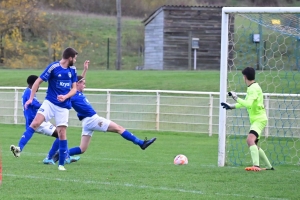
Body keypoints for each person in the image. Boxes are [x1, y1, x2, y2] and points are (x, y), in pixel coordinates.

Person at [46, 60, 156, 163]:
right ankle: (141, 143)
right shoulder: (72, 94)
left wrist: (85, 70)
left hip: (86, 122)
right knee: (119, 128)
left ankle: (61, 154)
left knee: (82, 149)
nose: (85, 85)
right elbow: (76, 82)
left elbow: (79, 79)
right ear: (78, 84)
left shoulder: (77, 92)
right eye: (83, 83)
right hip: (92, 119)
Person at [10, 47, 78, 171]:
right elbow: (37, 82)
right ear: (70, 58)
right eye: (75, 58)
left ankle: (61, 165)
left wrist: (66, 96)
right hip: (50, 102)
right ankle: (19, 148)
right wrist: (30, 99)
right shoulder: (53, 67)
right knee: (35, 123)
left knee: (62, 134)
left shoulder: (72, 70)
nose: (75, 60)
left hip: (63, 107)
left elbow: (74, 89)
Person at [221, 67, 274, 171]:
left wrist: (235, 97)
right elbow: (245, 102)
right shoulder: (252, 87)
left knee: (250, 140)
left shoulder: (253, 88)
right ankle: (269, 166)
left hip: (259, 119)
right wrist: (231, 106)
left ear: (245, 77)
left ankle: (256, 166)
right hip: (257, 119)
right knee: (254, 144)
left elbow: (248, 104)